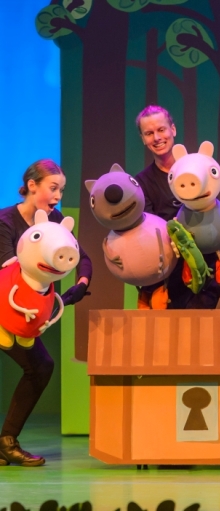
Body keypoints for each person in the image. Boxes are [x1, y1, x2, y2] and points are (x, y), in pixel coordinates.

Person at [0, 159, 92, 467]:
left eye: (61, 190)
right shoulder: (5, 221)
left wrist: (81, 283)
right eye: (53, 188)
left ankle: (6, 442)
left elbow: (81, 257)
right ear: (31, 185)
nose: (57, 196)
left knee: (41, 367)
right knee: (39, 366)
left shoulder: (55, 221)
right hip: (3, 308)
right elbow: (12, 269)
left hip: (20, 313)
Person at [134, 105, 220, 309]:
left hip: (206, 271)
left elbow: (215, 212)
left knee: (197, 325)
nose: (157, 138)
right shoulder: (142, 182)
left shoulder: (199, 167)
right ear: (143, 139)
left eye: (161, 129)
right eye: (149, 133)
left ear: (173, 130)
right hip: (169, 277)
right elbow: (148, 232)